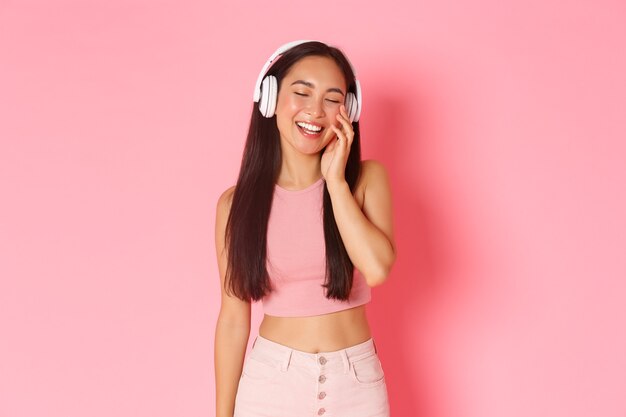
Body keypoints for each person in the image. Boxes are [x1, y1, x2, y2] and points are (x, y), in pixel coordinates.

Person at [214, 40, 395, 417]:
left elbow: (377, 269)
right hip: (270, 385)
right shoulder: (236, 206)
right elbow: (233, 318)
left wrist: (336, 184)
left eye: (333, 98)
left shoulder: (365, 180)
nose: (316, 110)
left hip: (356, 384)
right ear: (269, 99)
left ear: (349, 110)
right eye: (301, 92)